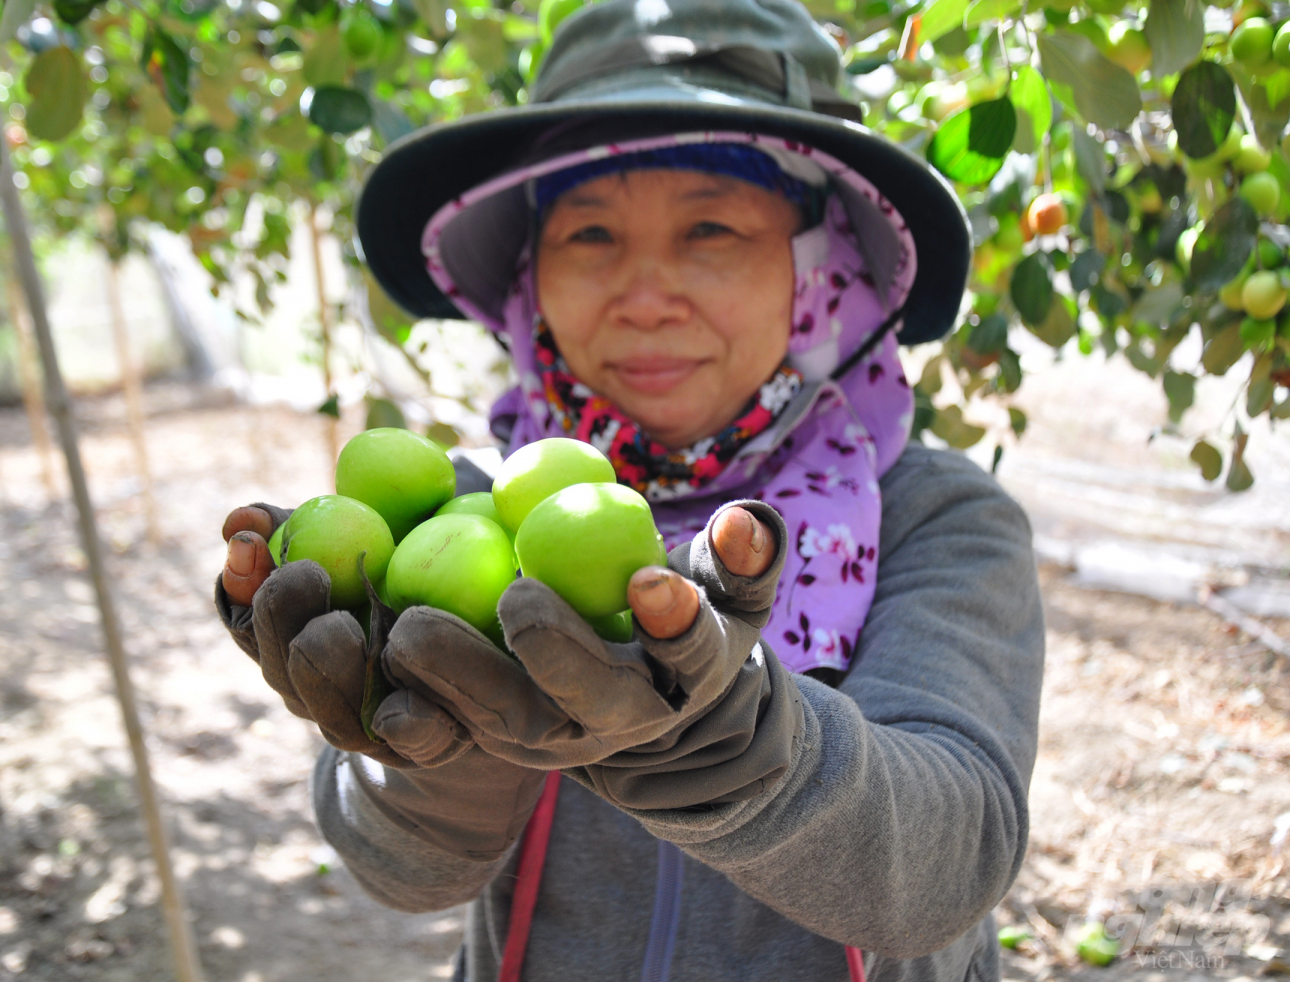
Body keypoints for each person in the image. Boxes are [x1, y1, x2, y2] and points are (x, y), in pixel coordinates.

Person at [214, 0, 1045, 978]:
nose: (646, 295)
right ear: (532, 280)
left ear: (818, 270)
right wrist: (449, 752)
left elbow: (948, 865)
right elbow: (401, 873)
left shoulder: (935, 519)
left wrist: (730, 743)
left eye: (711, 227)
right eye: (591, 235)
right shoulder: (463, 511)